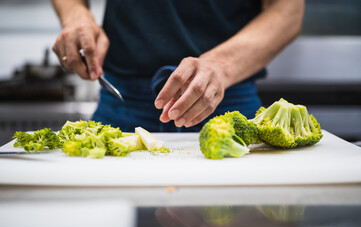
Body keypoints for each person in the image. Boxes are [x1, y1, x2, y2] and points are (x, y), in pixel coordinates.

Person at [52, 0, 304, 132]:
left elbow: (288, 10)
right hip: (121, 102)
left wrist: (221, 65)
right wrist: (75, 14)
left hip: (229, 105)